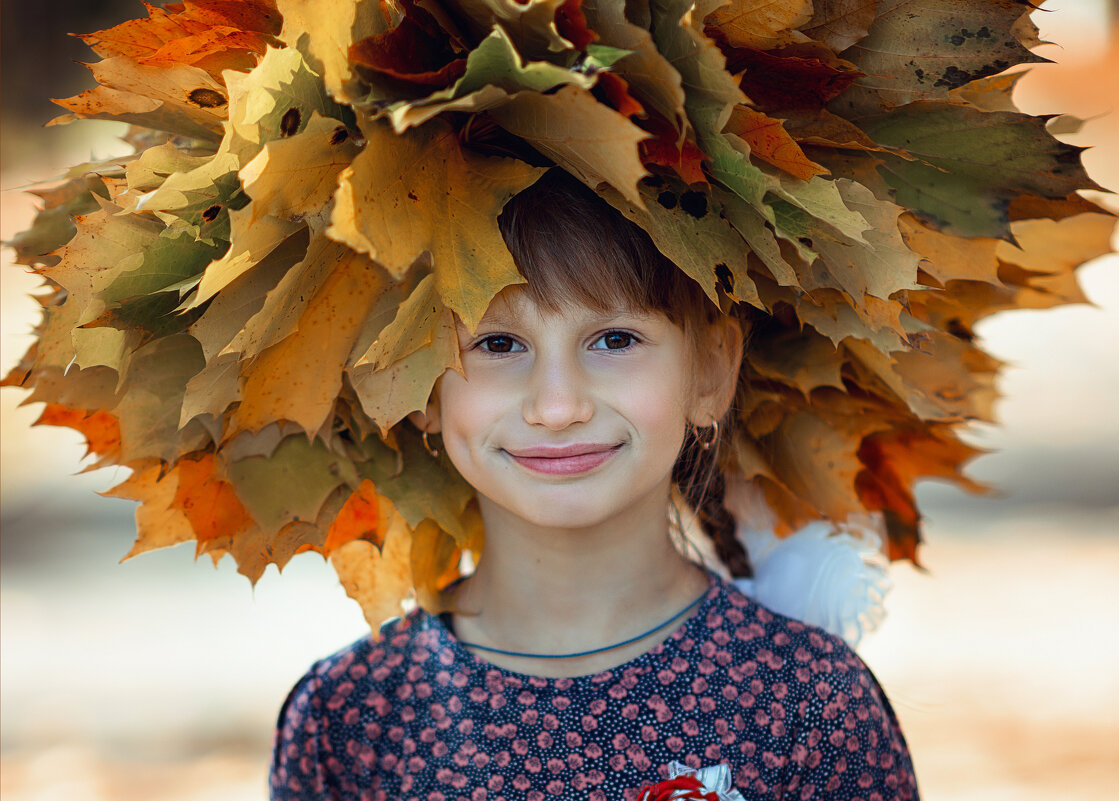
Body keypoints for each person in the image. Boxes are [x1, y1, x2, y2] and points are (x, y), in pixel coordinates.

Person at [268, 170, 919, 801]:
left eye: (613, 338)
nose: (557, 406)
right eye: (497, 343)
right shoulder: (348, 721)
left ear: (711, 372)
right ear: (417, 380)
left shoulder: (807, 705)